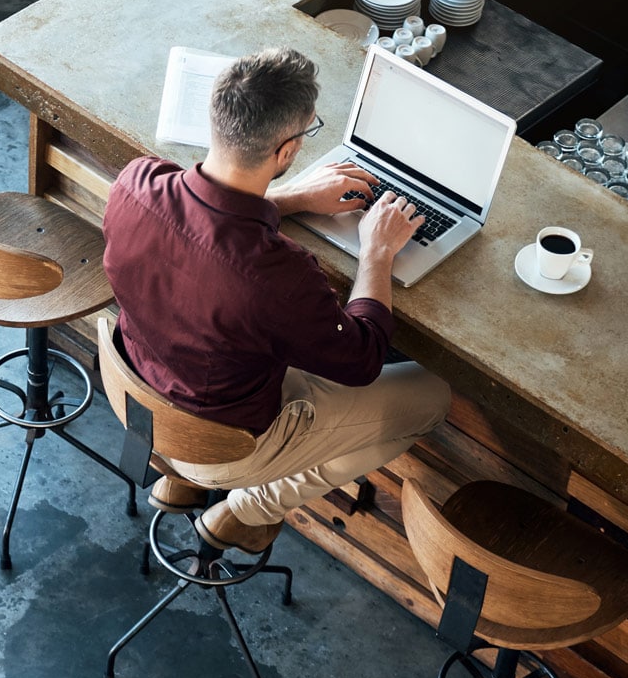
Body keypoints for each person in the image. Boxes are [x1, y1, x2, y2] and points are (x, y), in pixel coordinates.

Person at [101, 47, 452, 554]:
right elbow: (362, 359)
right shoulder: (278, 277)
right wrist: (377, 252)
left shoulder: (136, 183)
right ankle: (248, 508)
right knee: (432, 396)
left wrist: (291, 199)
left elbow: (206, 233)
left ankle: (185, 470)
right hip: (229, 439)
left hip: (143, 392)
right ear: (287, 152)